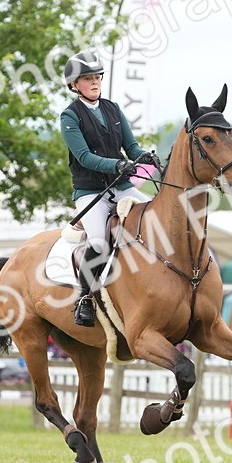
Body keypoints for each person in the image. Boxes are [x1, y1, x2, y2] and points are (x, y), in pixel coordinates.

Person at [61, 49, 160, 327]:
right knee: (99, 242)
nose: (94, 82)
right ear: (74, 85)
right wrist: (116, 166)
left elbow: (131, 147)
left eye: (97, 77)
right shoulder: (69, 117)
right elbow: (84, 157)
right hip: (91, 192)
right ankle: (85, 299)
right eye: (87, 78)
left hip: (121, 187)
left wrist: (143, 156)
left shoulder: (113, 109)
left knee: (155, 217)